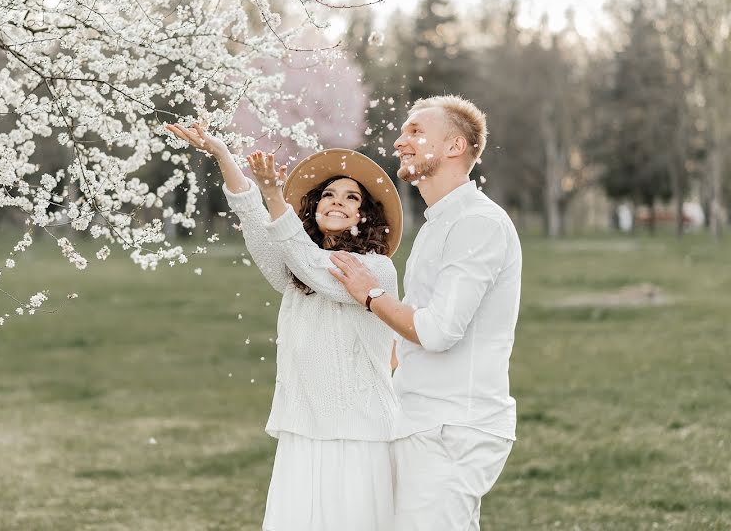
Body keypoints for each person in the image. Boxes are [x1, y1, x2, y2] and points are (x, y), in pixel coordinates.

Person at [165, 122, 404, 531]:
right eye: (328, 194)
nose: (338, 202)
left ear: (364, 215)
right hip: (304, 427)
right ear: (313, 207)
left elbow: (317, 268)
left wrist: (275, 195)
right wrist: (224, 156)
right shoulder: (297, 275)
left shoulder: (375, 269)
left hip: (360, 432)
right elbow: (259, 229)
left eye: (351, 198)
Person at [327, 95, 522, 531]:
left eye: (416, 131)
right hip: (423, 422)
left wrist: (369, 293)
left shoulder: (478, 223)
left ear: (455, 146)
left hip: (454, 427)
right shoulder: (440, 224)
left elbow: (437, 331)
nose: (400, 141)